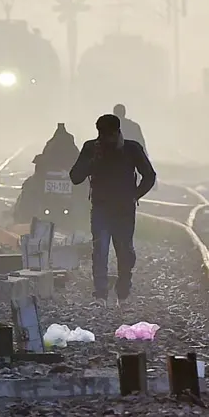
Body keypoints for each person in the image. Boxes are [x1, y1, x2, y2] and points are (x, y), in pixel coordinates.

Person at [70, 113, 156, 307]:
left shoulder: (131, 149)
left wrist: (135, 195)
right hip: (101, 207)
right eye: (102, 135)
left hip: (124, 209)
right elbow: (75, 176)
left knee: (124, 251)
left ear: (117, 133)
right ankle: (100, 294)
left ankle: (123, 292)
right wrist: (93, 162)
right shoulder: (91, 148)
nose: (106, 140)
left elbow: (149, 175)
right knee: (99, 250)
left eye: (109, 135)